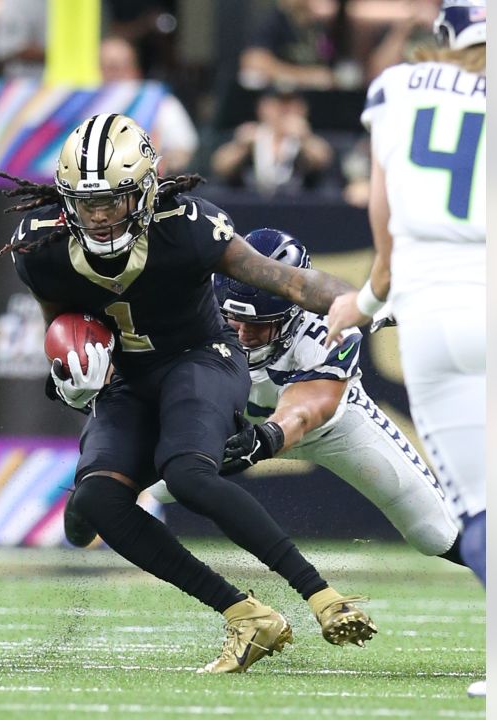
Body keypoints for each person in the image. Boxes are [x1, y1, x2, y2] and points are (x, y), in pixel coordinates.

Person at [0, 113, 376, 674]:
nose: (99, 217)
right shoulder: (42, 245)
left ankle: (321, 595)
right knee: (95, 501)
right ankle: (245, 614)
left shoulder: (189, 225)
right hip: (128, 378)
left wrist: (366, 301)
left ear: (145, 192)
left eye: (114, 201)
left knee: (188, 473)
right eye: (87, 202)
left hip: (202, 358)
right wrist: (70, 377)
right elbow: (63, 322)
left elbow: (291, 282)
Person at [324, 0, 486, 697]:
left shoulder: (397, 89)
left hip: (429, 315)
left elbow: (383, 226)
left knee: (483, 513)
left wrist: (362, 303)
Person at [146, 228, 465, 567]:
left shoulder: (330, 321)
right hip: (231, 422)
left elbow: (311, 404)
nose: (241, 334)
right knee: (125, 482)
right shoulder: (198, 306)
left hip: (329, 428)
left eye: (258, 325)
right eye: (233, 319)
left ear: (295, 312)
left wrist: (269, 435)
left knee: (434, 532)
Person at [99, 36, 198, 174]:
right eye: (104, 67)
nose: (111, 74)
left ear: (135, 69)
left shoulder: (161, 103)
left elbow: (184, 150)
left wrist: (160, 167)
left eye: (116, 67)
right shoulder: (83, 107)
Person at [210, 88, 335, 196]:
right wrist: (240, 146)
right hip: (251, 202)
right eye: (277, 104)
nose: (284, 110)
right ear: (262, 107)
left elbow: (324, 160)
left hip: (297, 205)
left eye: (291, 104)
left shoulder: (306, 138)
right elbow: (219, 167)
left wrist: (306, 138)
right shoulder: (250, 136)